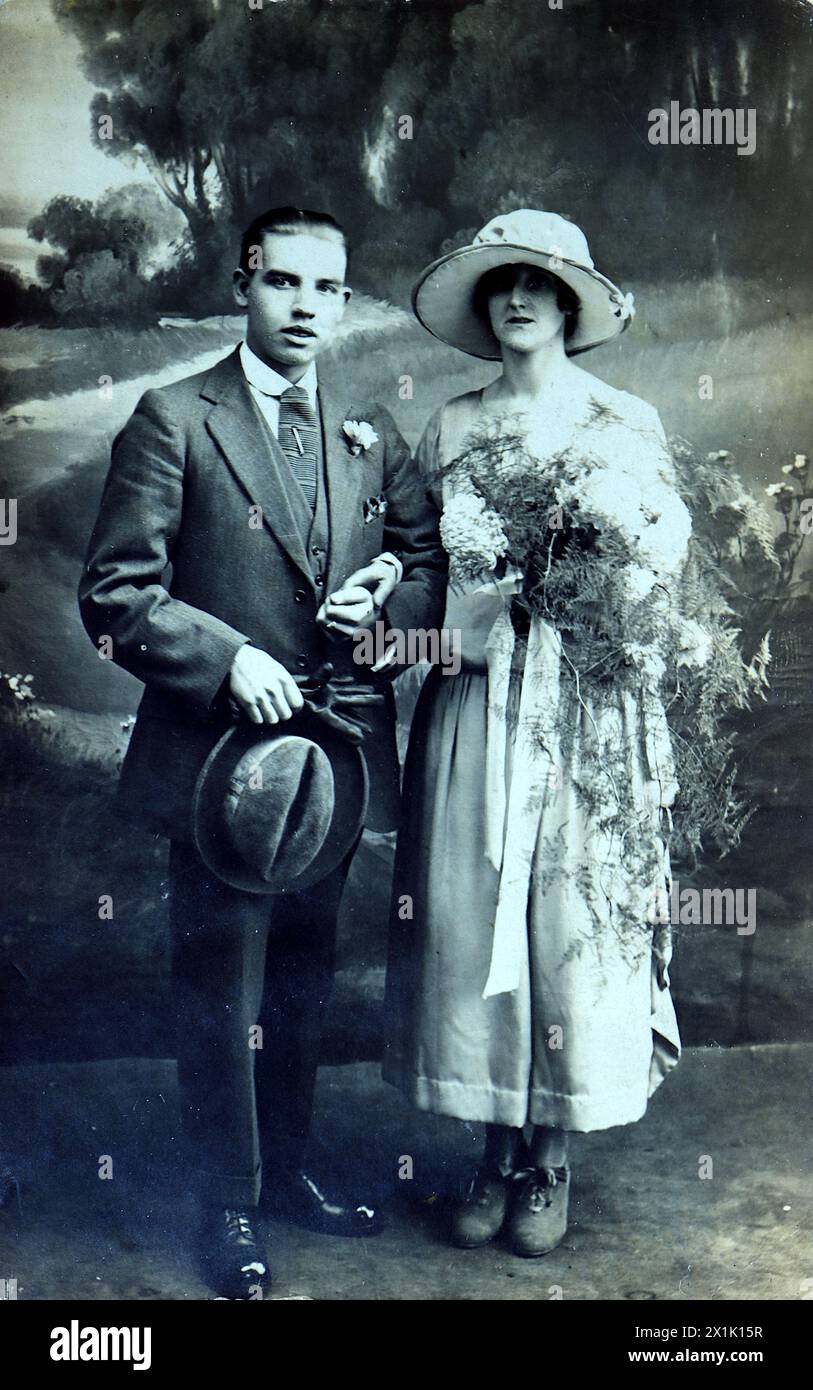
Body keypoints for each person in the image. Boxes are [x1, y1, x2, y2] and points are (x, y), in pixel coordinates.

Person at [78, 206, 446, 1298]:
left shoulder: (370, 428)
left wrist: (386, 592)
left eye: (326, 290)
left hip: (333, 762)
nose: (304, 308)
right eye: (283, 283)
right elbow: (114, 597)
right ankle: (226, 1206)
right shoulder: (172, 418)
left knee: (299, 979)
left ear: (344, 300)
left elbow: (427, 565)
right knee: (221, 988)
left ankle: (285, 1174)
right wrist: (226, 657)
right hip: (217, 768)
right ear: (245, 283)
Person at [383, 210, 686, 1258]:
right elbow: (428, 574)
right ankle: (491, 1146)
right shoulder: (454, 427)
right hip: (478, 703)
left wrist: (590, 585)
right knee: (472, 919)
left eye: (539, 284)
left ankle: (551, 1153)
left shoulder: (624, 422)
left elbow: (656, 576)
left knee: (565, 923)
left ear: (569, 304)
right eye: (500, 283)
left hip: (585, 708)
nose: (517, 298)